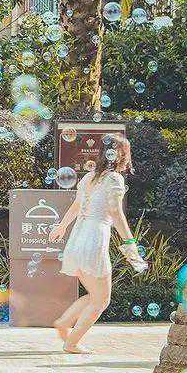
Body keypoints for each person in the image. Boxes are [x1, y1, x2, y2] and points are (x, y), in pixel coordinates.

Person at [48, 133, 147, 353]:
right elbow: (115, 212)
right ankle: (72, 342)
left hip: (78, 238)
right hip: (94, 240)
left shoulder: (89, 177)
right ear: (121, 155)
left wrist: (62, 226)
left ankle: (64, 322)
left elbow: (77, 205)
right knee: (102, 300)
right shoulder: (114, 179)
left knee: (95, 295)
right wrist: (130, 244)